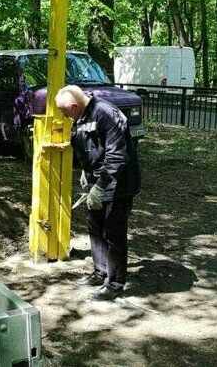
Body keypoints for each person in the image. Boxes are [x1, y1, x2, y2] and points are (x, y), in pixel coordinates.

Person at [55, 85, 141, 301]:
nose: (65, 118)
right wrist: (85, 173)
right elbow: (87, 148)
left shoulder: (106, 114)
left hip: (118, 184)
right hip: (97, 182)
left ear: (74, 106)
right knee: (95, 228)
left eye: (66, 113)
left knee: (114, 233)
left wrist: (100, 186)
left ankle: (114, 284)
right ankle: (100, 272)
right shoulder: (82, 116)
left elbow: (116, 156)